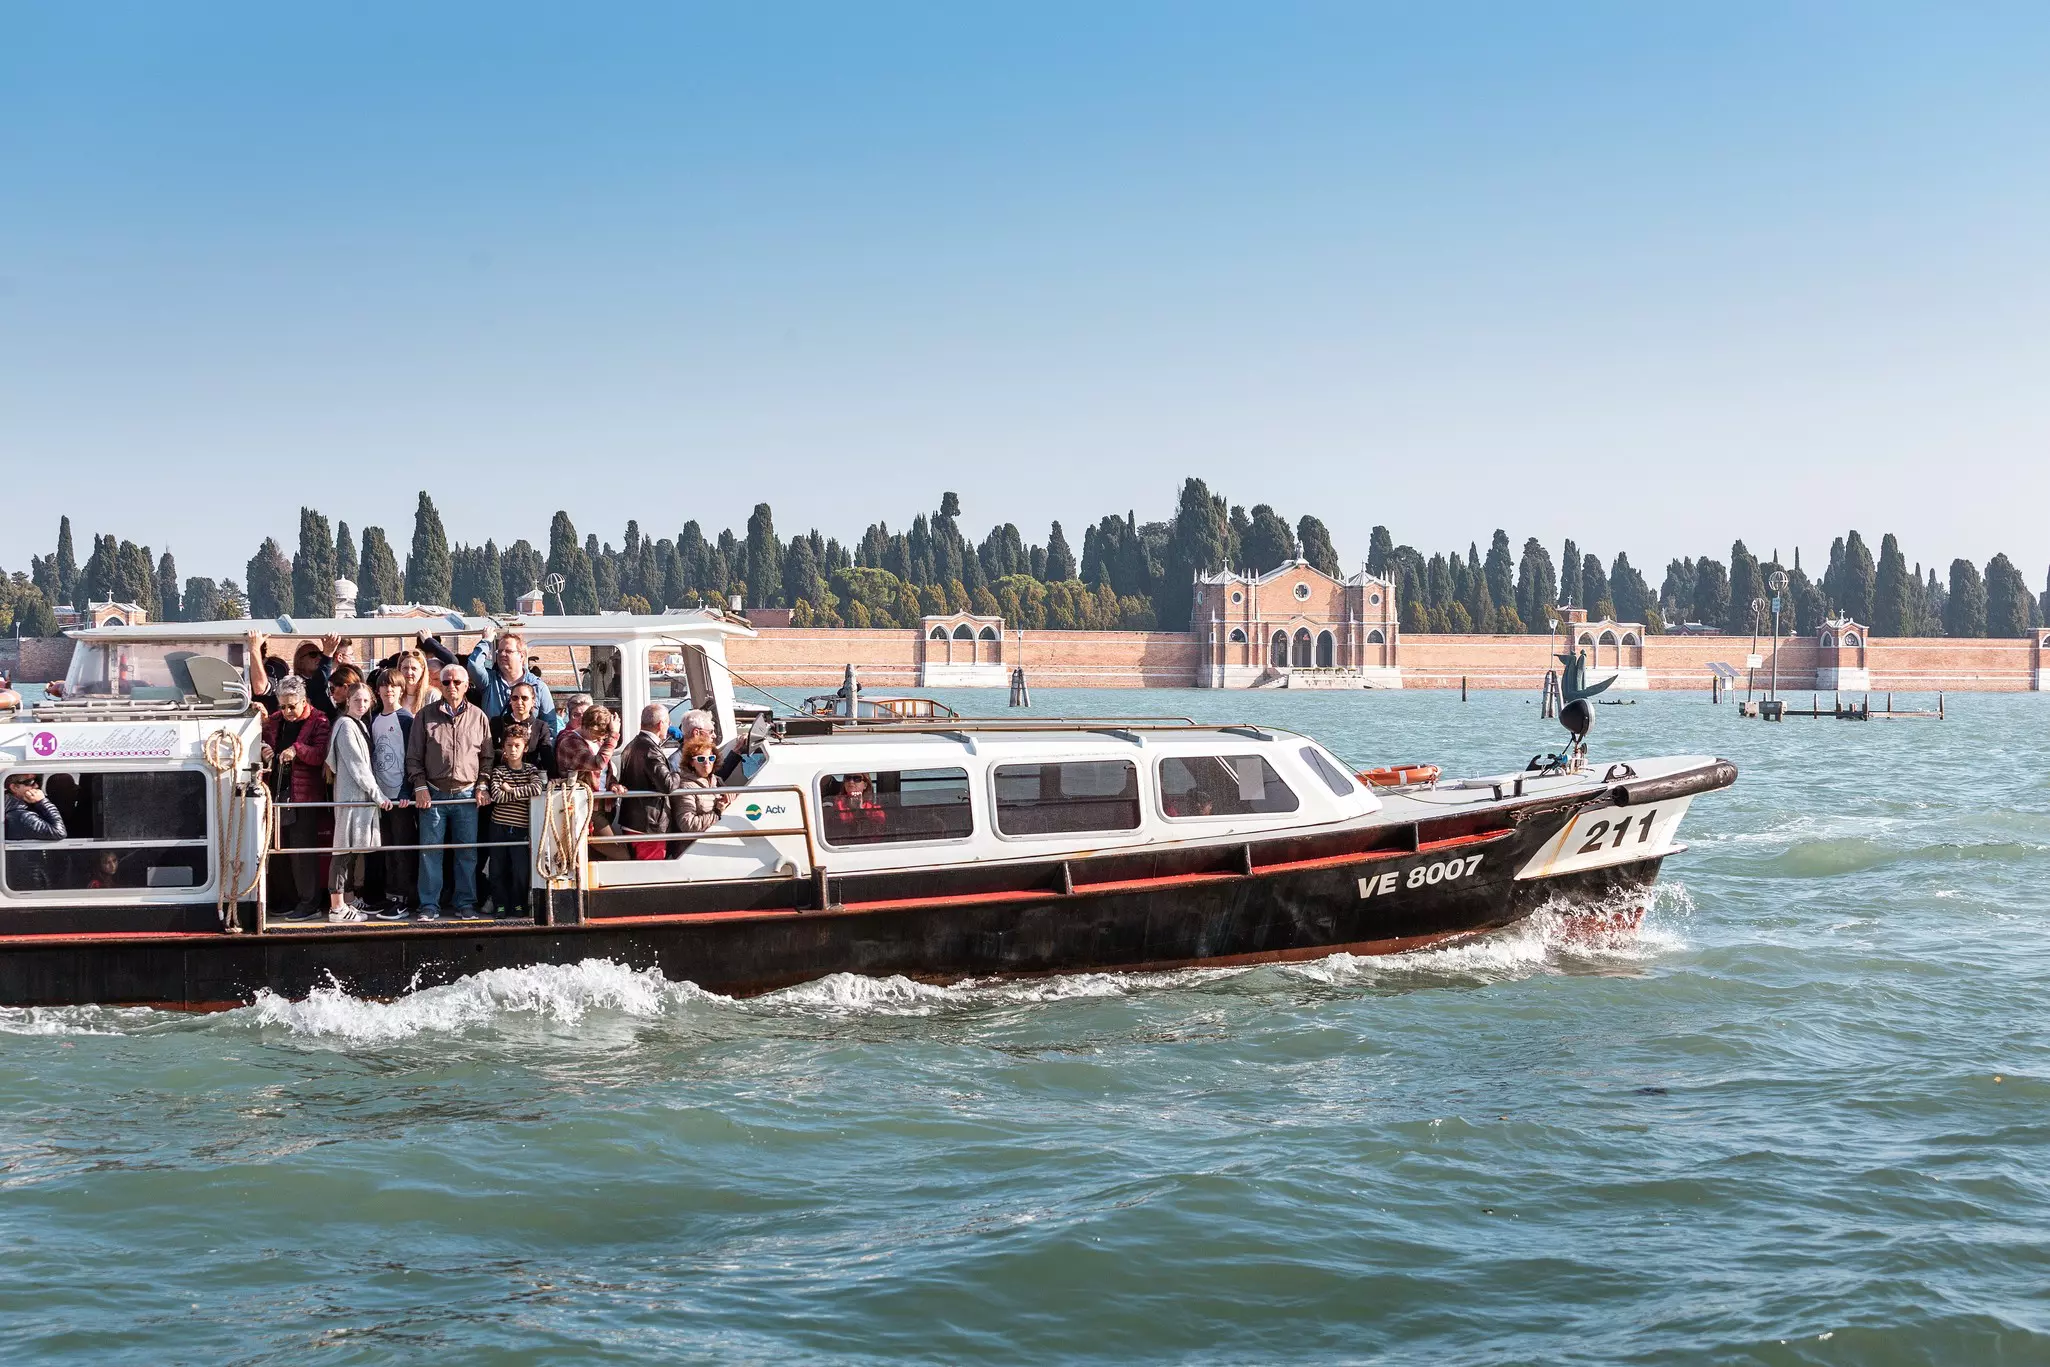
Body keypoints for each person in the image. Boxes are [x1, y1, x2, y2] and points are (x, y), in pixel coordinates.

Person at [404, 663, 494, 920]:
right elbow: (413, 757)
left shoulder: (479, 717)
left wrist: (483, 785)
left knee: (467, 853)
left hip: (467, 796)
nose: (451, 686)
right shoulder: (424, 716)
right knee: (430, 853)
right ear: (440, 685)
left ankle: (465, 903)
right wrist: (420, 787)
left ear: (467, 686)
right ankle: (429, 906)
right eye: (446, 682)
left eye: (457, 682)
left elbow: (487, 757)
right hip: (433, 795)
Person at [260, 675, 332, 920]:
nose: (287, 711)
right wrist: (265, 750)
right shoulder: (275, 720)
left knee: (303, 853)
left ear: (304, 701)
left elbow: (320, 754)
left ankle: (309, 903)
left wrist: (297, 750)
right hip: (278, 793)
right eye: (282, 706)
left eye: (292, 705)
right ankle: (286, 900)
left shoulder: (320, 720)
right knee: (278, 850)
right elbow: (265, 744)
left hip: (304, 796)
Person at [324, 681, 389, 923]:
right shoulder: (346, 726)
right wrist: (378, 795)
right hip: (351, 798)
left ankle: (347, 900)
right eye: (356, 700)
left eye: (365, 700)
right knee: (342, 850)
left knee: (350, 851)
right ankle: (337, 907)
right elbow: (358, 766)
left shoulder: (359, 724)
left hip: (356, 798)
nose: (361, 704)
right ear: (347, 702)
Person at [475, 723, 547, 916]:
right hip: (498, 826)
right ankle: (500, 904)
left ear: (525, 748)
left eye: (517, 745)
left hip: (521, 828)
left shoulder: (531, 770)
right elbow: (497, 796)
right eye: (509, 745)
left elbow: (537, 789)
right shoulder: (498, 771)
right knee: (497, 869)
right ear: (504, 747)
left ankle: (518, 904)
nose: (513, 749)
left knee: (520, 870)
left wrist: (511, 790)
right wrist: (518, 793)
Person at [366, 669, 415, 919]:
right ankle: (391, 895)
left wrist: (407, 789)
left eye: (393, 686)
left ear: (401, 689)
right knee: (387, 847)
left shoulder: (405, 719)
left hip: (400, 795)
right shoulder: (374, 719)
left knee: (401, 848)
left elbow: (412, 756)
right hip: (381, 794)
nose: (389, 690)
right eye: (384, 686)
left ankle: (404, 898)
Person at [618, 703, 687, 860]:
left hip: (634, 819)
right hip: (648, 824)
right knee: (650, 868)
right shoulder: (650, 749)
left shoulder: (632, 745)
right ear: (660, 724)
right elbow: (667, 784)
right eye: (668, 722)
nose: (669, 726)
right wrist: (679, 770)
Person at [465, 630, 558, 737]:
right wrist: (486, 641)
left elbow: (550, 725)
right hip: (495, 749)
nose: (502, 654)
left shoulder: (538, 687)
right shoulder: (489, 681)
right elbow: (474, 666)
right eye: (500, 651)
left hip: (528, 750)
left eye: (508, 651)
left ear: (522, 656)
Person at [493, 682, 556, 778]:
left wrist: (554, 778)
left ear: (533, 702)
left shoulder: (540, 726)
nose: (519, 702)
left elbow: (546, 756)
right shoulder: (497, 723)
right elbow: (490, 751)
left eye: (524, 698)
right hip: (502, 777)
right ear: (510, 701)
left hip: (531, 778)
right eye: (515, 698)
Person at [673, 738, 731, 842]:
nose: (707, 762)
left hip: (713, 839)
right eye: (701, 759)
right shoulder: (685, 786)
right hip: (694, 846)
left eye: (711, 758)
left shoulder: (715, 780)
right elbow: (687, 825)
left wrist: (729, 796)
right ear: (691, 762)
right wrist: (716, 812)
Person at [825, 772, 885, 842]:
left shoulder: (876, 810)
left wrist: (859, 811)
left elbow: (875, 837)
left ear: (865, 785)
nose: (851, 781)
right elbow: (830, 831)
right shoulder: (834, 805)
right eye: (847, 778)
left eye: (857, 779)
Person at [391, 648, 442, 719]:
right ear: (399, 669)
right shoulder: (394, 694)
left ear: (423, 670)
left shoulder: (432, 695)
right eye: (405, 668)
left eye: (414, 668)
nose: (409, 672)